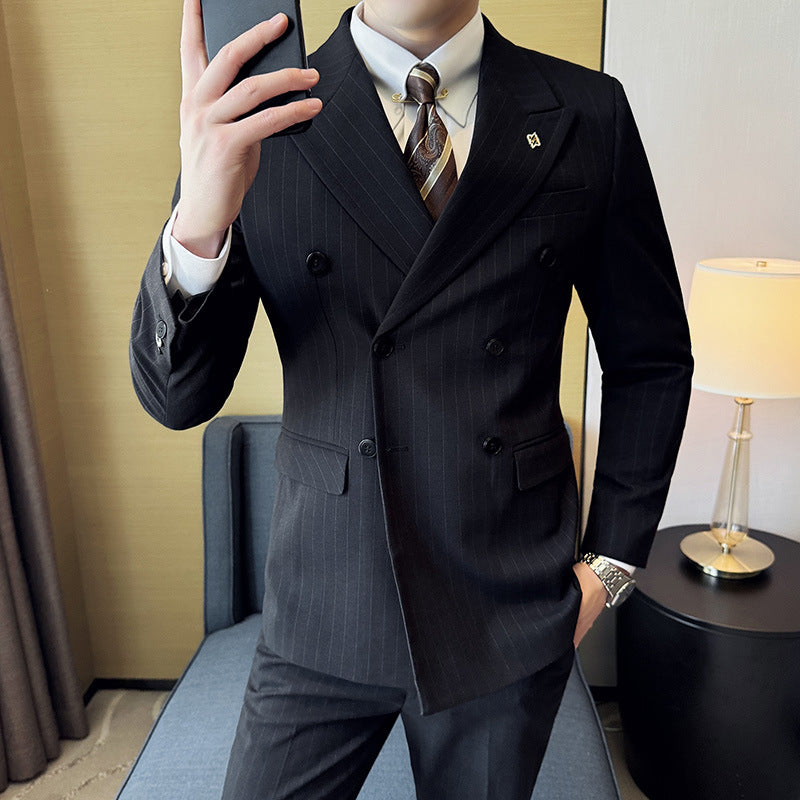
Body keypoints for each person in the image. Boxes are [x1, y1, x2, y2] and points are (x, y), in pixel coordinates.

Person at [130, 1, 693, 797]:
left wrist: (611, 564)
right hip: (326, 592)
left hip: (505, 602)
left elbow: (651, 360)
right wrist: (199, 222)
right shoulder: (257, 110)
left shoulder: (585, 110)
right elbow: (176, 397)